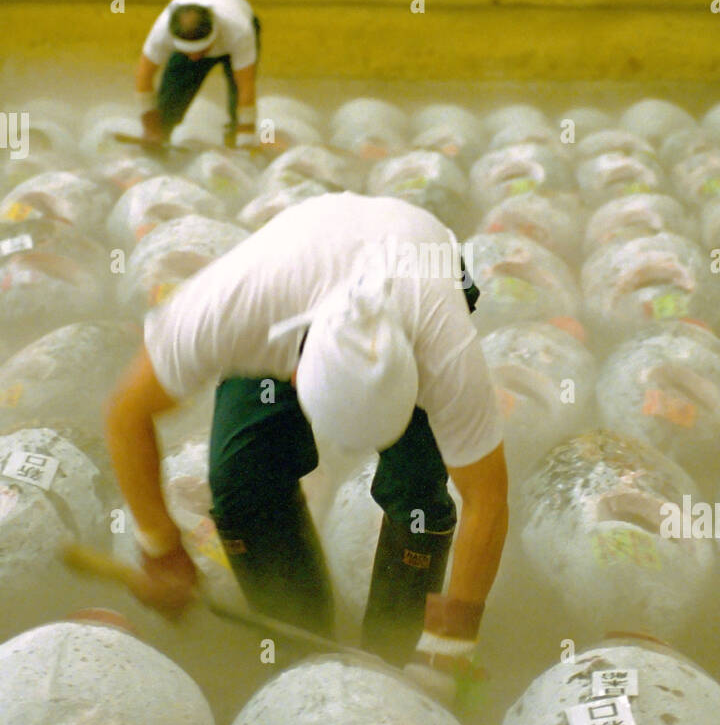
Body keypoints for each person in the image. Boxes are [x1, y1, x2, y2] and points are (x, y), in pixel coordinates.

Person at [105, 192, 509, 696]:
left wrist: (450, 646)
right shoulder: (233, 309)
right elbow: (125, 414)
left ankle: (397, 653)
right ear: (294, 376)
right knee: (239, 481)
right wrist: (161, 546)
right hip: (295, 269)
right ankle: (301, 648)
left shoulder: (444, 349)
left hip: (424, 257)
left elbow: (487, 496)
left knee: (418, 494)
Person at [134, 0, 260, 148]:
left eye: (200, 51)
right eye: (188, 52)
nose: (194, 58)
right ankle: (161, 142)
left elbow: (245, 87)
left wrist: (246, 137)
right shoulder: (162, 31)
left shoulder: (239, 31)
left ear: (213, 37)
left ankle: (236, 142)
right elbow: (144, 77)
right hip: (201, 35)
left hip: (236, 30)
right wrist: (150, 128)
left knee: (237, 96)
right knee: (170, 98)